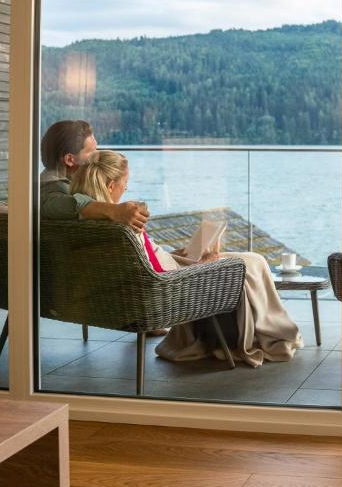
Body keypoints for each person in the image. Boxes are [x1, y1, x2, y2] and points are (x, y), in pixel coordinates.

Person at [69, 151, 303, 367]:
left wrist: (175, 255)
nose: (126, 189)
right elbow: (158, 277)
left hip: (161, 272)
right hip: (172, 284)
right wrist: (205, 264)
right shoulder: (124, 227)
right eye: (125, 184)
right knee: (252, 262)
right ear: (111, 186)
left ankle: (258, 331)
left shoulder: (83, 223)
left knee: (251, 259)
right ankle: (274, 333)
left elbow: (143, 263)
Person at [39, 120, 147, 230]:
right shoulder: (47, 191)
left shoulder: (70, 183)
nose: (99, 154)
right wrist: (115, 210)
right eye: (92, 152)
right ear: (70, 159)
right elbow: (60, 205)